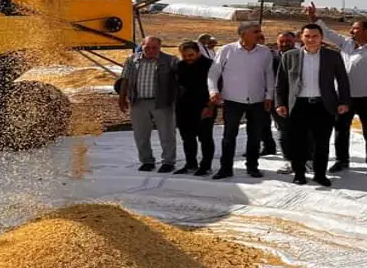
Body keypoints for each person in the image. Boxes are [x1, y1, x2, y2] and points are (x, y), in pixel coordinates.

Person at [307, 2, 367, 176]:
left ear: (366, 32)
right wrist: (314, 18)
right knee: (341, 129)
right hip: (344, 97)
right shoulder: (347, 44)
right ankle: (342, 160)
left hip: (366, 97)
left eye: (355, 28)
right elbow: (327, 34)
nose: (351, 31)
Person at [275, 24, 352, 187]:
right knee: (297, 142)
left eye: (315, 36)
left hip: (323, 106)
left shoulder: (332, 56)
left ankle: (320, 174)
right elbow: (281, 83)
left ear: (321, 37)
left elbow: (343, 81)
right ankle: (299, 174)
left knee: (321, 143)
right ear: (301, 38)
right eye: (307, 36)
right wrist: (280, 103)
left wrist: (344, 101)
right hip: (298, 106)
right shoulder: (290, 56)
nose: (311, 40)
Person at [207, 22, 275, 180]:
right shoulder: (227, 50)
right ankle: (226, 168)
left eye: (259, 31)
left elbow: (269, 74)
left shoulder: (264, 52)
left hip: (257, 101)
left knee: (255, 136)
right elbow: (213, 72)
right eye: (256, 31)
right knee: (229, 135)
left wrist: (269, 96)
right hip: (233, 100)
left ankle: (252, 167)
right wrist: (213, 91)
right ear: (243, 34)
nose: (260, 34)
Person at [118, 36, 180, 173]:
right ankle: (146, 161)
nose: (150, 50)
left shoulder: (170, 61)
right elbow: (125, 80)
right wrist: (122, 98)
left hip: (162, 102)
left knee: (167, 134)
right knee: (141, 134)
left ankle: (168, 162)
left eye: (154, 48)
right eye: (147, 47)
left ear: (160, 47)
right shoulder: (132, 60)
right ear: (142, 46)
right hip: (138, 102)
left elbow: (179, 81)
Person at [173, 41, 216, 176]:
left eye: (191, 55)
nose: (188, 58)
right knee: (187, 137)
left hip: (204, 107)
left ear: (198, 52)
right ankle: (190, 164)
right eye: (185, 56)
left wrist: (210, 106)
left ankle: (206, 166)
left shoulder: (210, 65)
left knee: (205, 138)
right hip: (184, 107)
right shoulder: (180, 66)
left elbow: (216, 87)